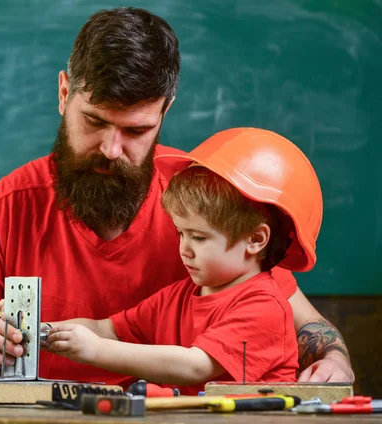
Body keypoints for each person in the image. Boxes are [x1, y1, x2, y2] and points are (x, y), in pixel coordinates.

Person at [0, 7, 353, 386]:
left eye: (136, 130)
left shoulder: (207, 196)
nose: (111, 151)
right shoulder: (9, 206)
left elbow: (302, 324)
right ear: (64, 93)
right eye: (94, 122)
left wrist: (335, 360)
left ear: (165, 111)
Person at [43, 127, 315, 394]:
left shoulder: (263, 307)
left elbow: (195, 366)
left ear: (255, 240)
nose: (184, 249)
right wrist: (40, 331)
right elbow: (106, 329)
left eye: (198, 237)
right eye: (180, 233)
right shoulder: (178, 297)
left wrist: (95, 350)